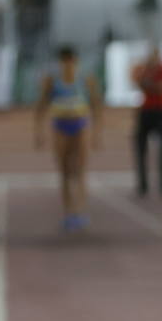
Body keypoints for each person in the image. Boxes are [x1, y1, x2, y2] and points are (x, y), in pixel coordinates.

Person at [35, 45, 103, 232]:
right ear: (60, 63)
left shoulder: (85, 79)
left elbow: (96, 104)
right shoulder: (52, 81)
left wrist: (97, 133)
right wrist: (38, 131)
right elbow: (41, 105)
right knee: (64, 171)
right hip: (60, 127)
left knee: (80, 170)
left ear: (76, 62)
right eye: (64, 62)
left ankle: (80, 211)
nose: (68, 66)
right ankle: (68, 212)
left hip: (80, 126)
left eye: (71, 62)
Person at [131, 45, 162, 198]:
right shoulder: (144, 70)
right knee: (140, 148)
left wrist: (148, 85)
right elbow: (137, 82)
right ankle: (143, 185)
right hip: (147, 111)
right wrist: (151, 85)